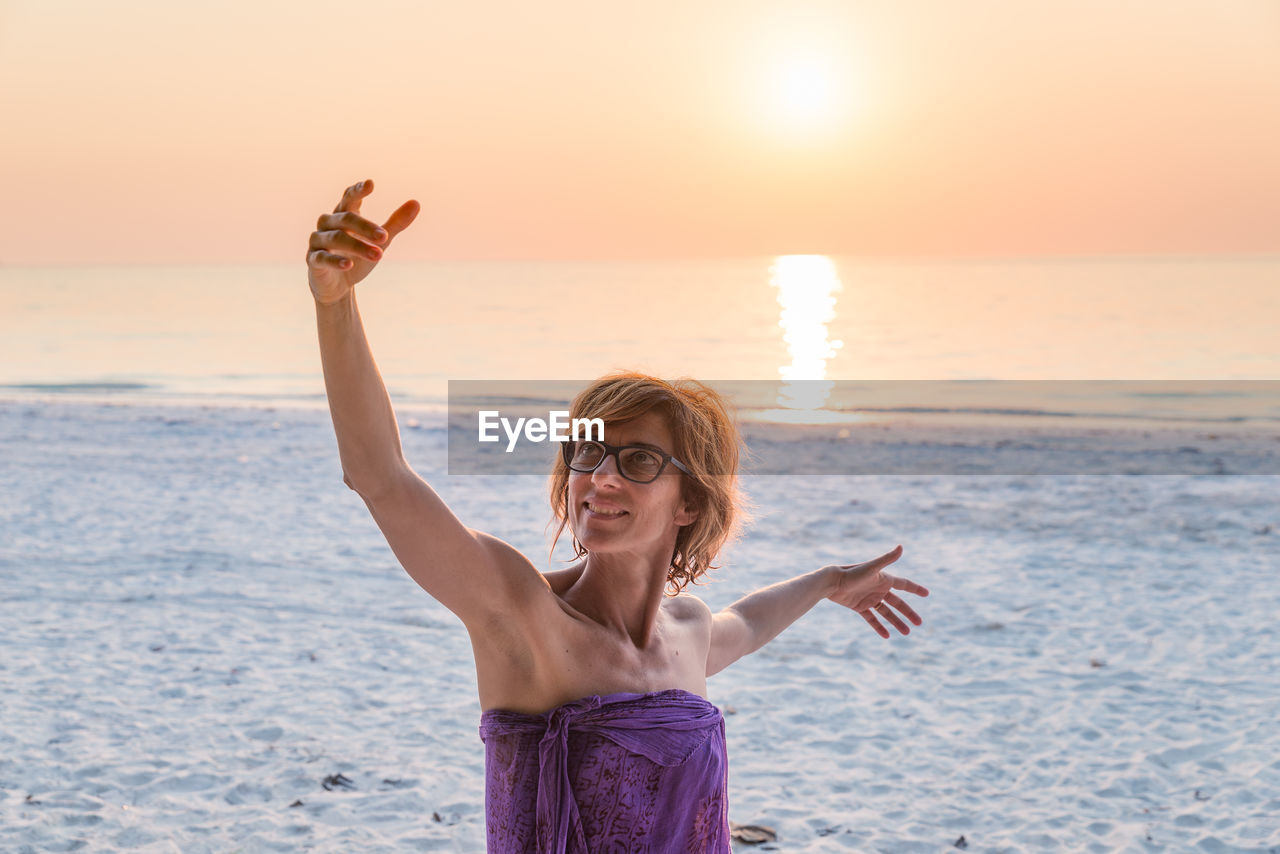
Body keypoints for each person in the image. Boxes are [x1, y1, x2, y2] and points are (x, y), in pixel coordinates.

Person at [306, 179, 930, 853]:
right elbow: (380, 476)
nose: (600, 477)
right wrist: (336, 305)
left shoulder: (686, 630)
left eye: (637, 461)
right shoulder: (519, 612)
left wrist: (830, 581)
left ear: (690, 501)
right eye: (588, 454)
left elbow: (747, 622)